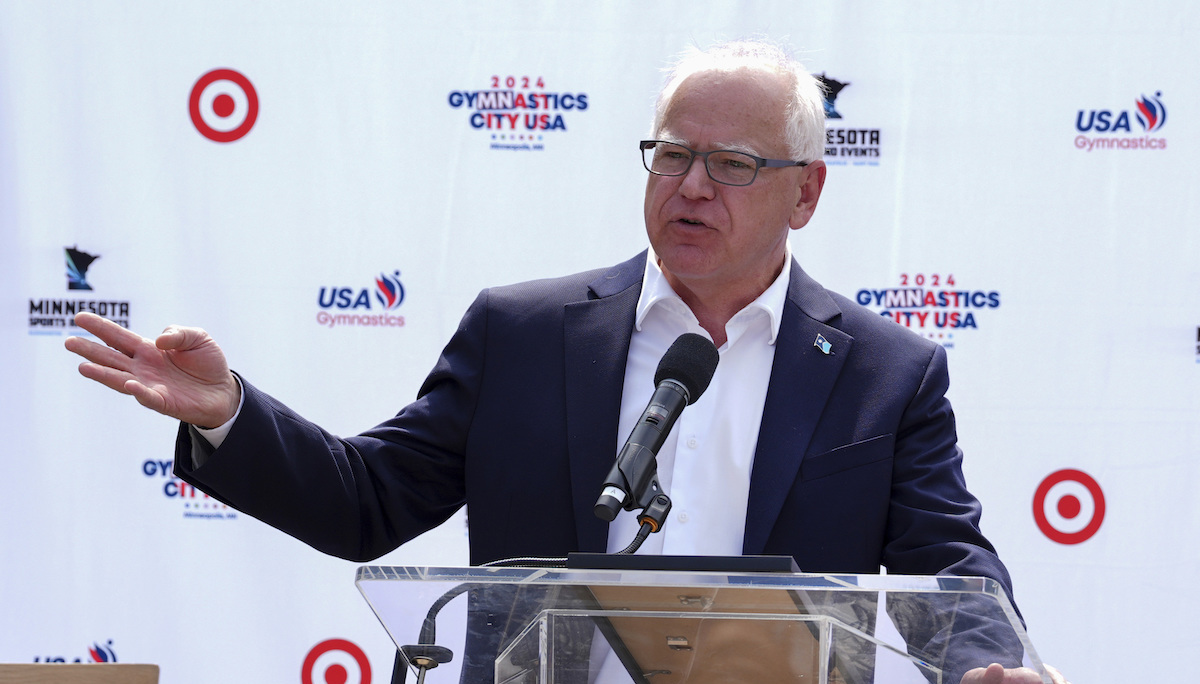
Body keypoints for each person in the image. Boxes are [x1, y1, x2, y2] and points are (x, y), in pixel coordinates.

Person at [66, 40, 1066, 684]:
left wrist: (990, 663)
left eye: (731, 165)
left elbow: (951, 563)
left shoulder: (886, 371)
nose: (691, 185)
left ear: (803, 194)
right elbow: (366, 501)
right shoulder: (524, 333)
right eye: (672, 154)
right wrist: (227, 412)